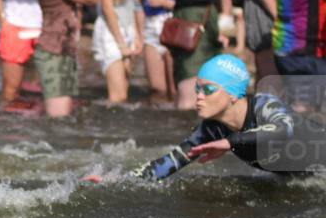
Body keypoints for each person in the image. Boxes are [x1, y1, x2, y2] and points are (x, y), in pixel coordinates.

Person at [132, 54, 313, 180]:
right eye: (197, 89)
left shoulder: (264, 105)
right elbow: (170, 162)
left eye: (208, 89)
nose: (199, 96)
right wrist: (123, 180)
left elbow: (283, 130)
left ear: (233, 94)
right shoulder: (212, 129)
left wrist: (231, 142)